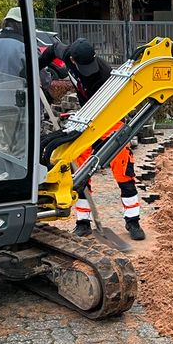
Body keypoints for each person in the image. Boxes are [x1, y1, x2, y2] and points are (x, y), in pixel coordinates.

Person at [39, 37, 145, 241]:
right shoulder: (66, 53)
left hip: (110, 119)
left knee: (124, 171)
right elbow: (52, 49)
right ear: (72, 59)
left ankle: (133, 222)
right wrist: (36, 68)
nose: (89, 70)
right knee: (79, 175)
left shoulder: (104, 75)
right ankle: (83, 222)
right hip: (87, 120)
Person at [0, 7, 28, 150]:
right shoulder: (24, 46)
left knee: (9, 140)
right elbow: (40, 74)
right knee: (22, 146)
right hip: (20, 106)